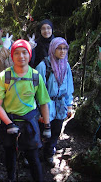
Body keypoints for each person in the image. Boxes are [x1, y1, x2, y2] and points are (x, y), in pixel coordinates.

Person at [0, 39, 51, 182]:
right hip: (9, 122)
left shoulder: (35, 76)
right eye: (17, 53)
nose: (21, 56)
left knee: (33, 156)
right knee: (9, 155)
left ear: (29, 55)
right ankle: (11, 177)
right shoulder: (3, 77)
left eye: (24, 52)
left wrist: (47, 125)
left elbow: (43, 103)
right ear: (12, 56)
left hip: (29, 122)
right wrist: (9, 124)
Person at [36, 37, 74, 166]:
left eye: (64, 48)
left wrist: (69, 105)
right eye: (59, 48)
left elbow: (69, 87)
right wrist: (40, 111)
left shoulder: (66, 65)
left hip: (61, 104)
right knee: (43, 131)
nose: (62, 51)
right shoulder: (43, 66)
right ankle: (36, 155)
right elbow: (38, 90)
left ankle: (49, 154)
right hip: (47, 105)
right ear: (53, 49)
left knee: (56, 130)